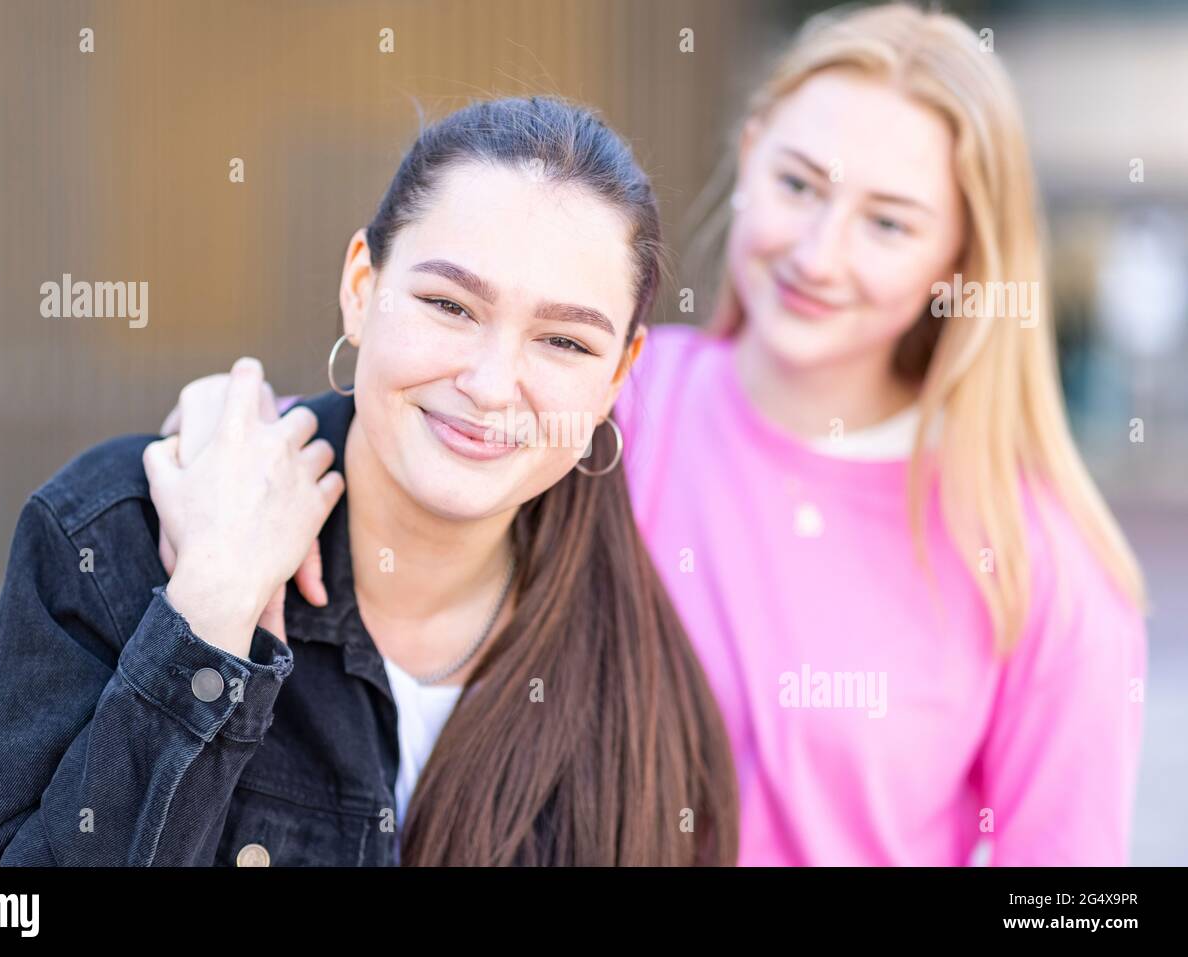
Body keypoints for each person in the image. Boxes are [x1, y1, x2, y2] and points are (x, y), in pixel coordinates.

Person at [169, 4, 1149, 866]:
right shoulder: (601, 402)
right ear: (751, 151)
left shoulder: (1038, 563)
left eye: (888, 224)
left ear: (961, 257)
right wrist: (231, 413)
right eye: (799, 184)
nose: (817, 252)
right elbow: (400, 413)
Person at [0, 96, 738, 867]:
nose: (493, 384)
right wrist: (213, 603)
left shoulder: (647, 690)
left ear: (619, 375)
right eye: (449, 304)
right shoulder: (116, 534)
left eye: (563, 342)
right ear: (361, 288)